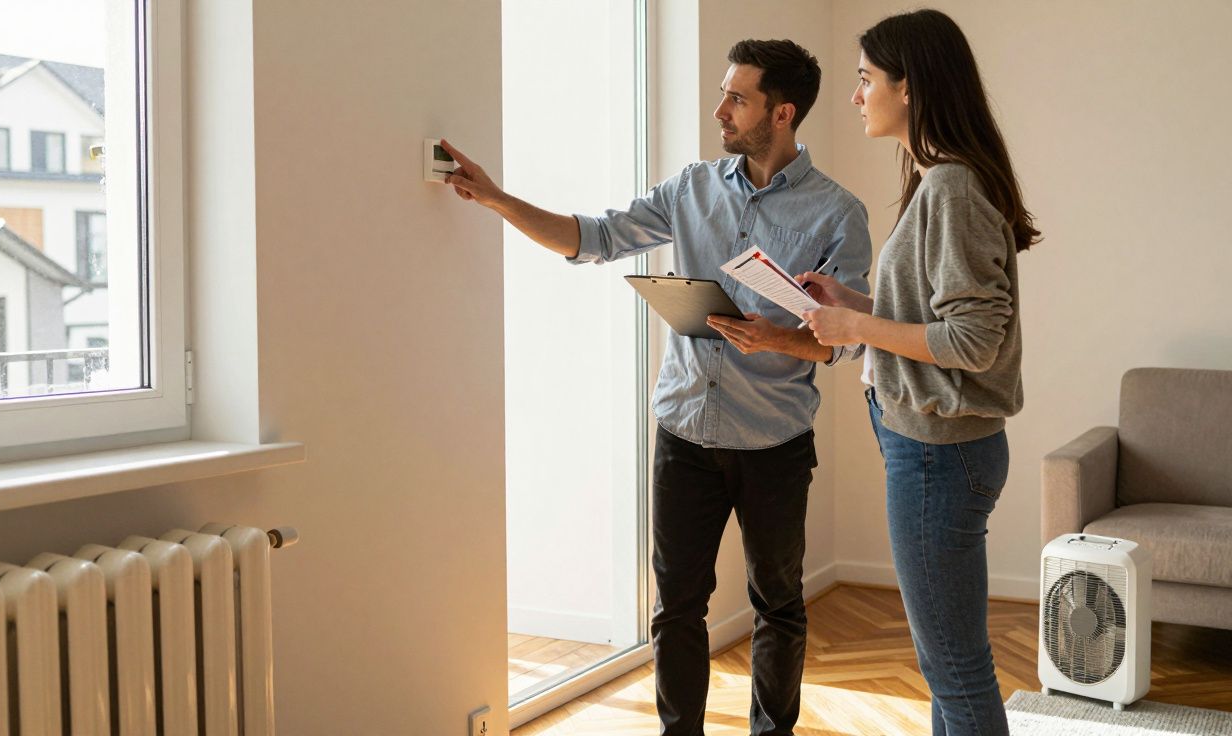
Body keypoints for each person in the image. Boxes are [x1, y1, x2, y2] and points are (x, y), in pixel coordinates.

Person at [443, 39, 871, 736]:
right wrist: (495, 197)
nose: (719, 109)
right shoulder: (692, 187)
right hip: (684, 435)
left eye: (738, 97)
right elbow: (594, 237)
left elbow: (850, 337)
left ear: (782, 112)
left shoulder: (837, 213)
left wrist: (781, 338)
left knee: (779, 604)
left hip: (774, 442)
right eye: (723, 92)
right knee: (675, 607)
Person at [800, 9, 1039, 736]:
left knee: (954, 667)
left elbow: (972, 341)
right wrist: (856, 302)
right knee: (946, 663)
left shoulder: (953, 187)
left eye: (866, 79)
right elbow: (937, 315)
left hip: (939, 453)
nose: (855, 96)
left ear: (910, 88)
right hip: (933, 445)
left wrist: (855, 327)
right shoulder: (942, 179)